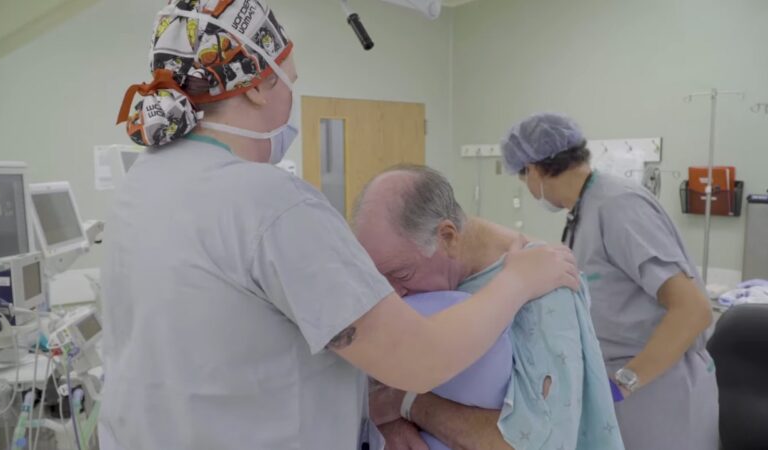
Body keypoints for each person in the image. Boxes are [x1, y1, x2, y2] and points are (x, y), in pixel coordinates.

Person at [99, 2, 580, 449]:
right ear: (258, 84)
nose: (292, 97)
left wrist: (390, 413)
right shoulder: (270, 204)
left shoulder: (140, 187)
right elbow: (419, 359)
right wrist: (519, 280)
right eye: (290, 80)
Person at [353, 165, 624, 450]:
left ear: (448, 237)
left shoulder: (546, 289)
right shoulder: (419, 270)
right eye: (377, 280)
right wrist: (388, 424)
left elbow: (538, 445)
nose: (391, 295)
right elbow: (371, 387)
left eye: (403, 275)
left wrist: (408, 403)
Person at [501, 113, 719, 449]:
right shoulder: (586, 208)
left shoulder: (619, 206)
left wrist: (626, 381)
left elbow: (693, 309)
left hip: (658, 389)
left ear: (533, 169)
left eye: (522, 176)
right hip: (628, 389)